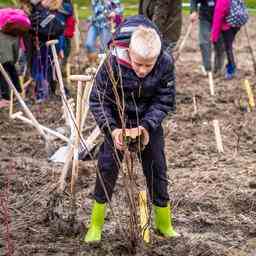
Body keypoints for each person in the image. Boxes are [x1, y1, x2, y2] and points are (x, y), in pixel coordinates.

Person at [84, 15, 178, 242]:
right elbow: (98, 100)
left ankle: (164, 224)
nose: (143, 70)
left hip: (148, 120)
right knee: (107, 168)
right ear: (129, 53)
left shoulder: (165, 62)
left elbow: (165, 100)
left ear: (157, 57)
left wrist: (146, 127)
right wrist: (114, 130)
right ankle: (95, 225)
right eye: (138, 64)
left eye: (149, 65)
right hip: (117, 118)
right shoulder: (112, 62)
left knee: (157, 166)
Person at [211, 0, 248, 79]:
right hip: (236, 25)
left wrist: (214, 37)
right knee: (229, 47)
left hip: (227, 26)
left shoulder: (221, 1)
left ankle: (231, 69)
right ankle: (230, 67)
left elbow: (217, 19)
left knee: (228, 48)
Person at [190, 0, 225, 76]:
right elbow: (193, 1)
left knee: (220, 42)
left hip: (220, 17)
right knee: (204, 42)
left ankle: (218, 68)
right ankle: (207, 68)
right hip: (205, 17)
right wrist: (193, 11)